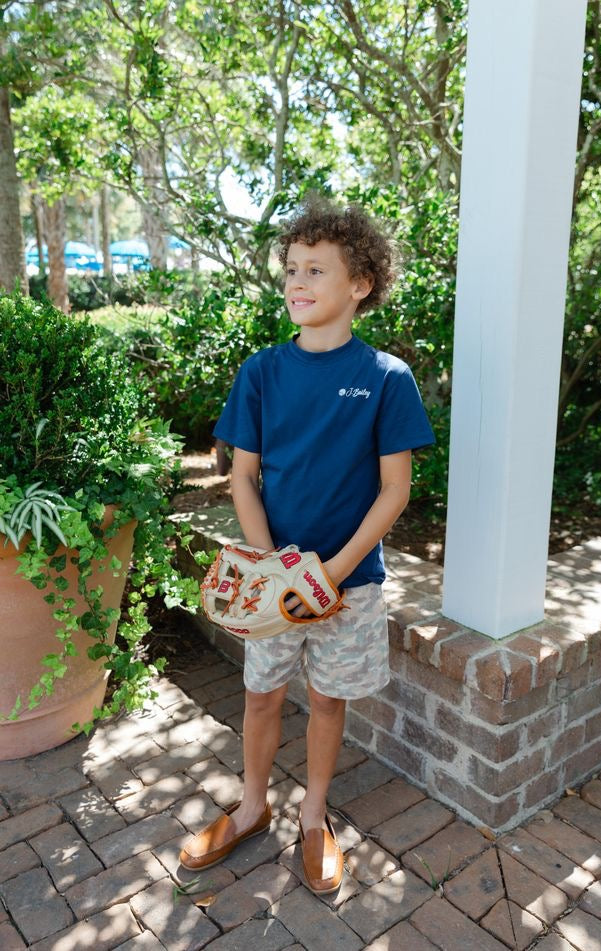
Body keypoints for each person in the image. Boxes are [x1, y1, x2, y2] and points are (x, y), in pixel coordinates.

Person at [179, 195, 435, 895]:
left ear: (360, 284)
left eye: (315, 269)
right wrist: (277, 571)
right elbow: (243, 478)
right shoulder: (262, 371)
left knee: (326, 700)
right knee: (261, 695)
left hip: (349, 585)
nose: (296, 282)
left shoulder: (387, 378)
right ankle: (254, 806)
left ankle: (315, 816)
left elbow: (394, 491)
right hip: (272, 583)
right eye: (291, 267)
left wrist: (330, 576)